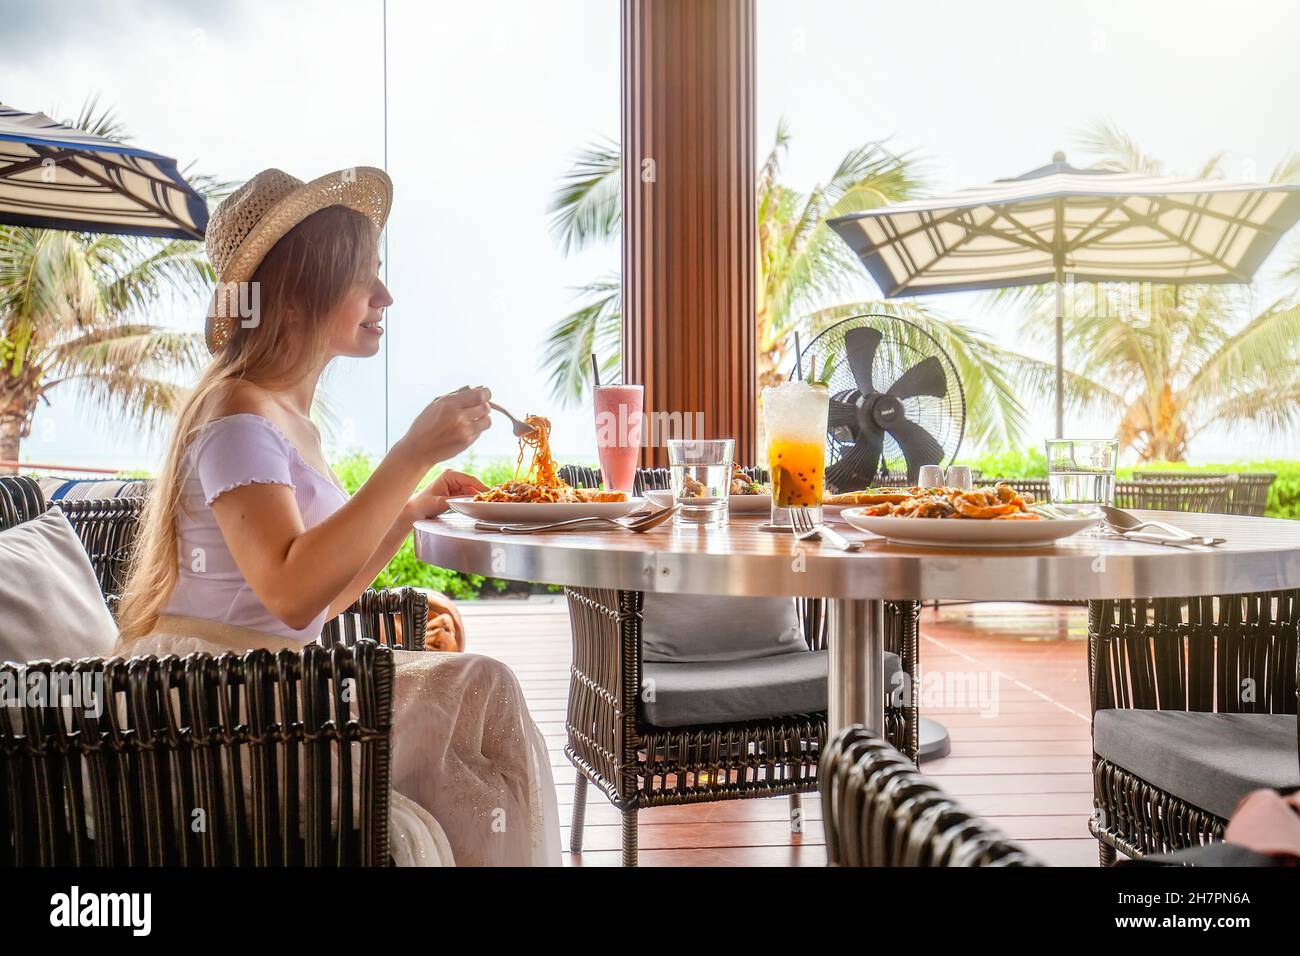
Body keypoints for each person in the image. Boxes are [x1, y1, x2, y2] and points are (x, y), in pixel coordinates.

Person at [116, 166, 560, 866]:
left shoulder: (286, 418)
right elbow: (289, 592)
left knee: (480, 694)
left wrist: (411, 513)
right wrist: (410, 455)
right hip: (213, 712)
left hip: (273, 688)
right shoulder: (237, 415)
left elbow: (318, 601)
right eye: (365, 277)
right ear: (299, 295)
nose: (385, 296)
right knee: (478, 691)